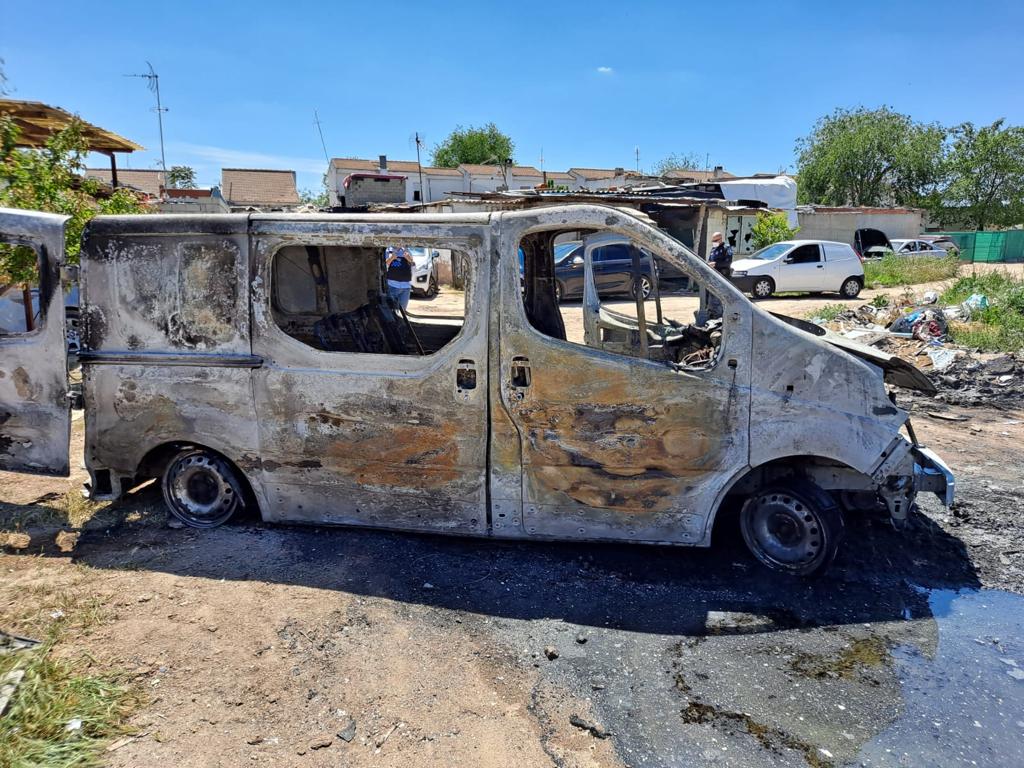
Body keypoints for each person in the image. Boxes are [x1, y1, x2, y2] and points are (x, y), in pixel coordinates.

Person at [706, 232, 733, 320]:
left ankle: (720, 318)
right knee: (711, 300)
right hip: (712, 278)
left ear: (721, 239)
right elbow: (710, 260)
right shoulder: (713, 249)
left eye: (715, 240)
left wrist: (716, 264)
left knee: (720, 299)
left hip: (723, 277)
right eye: (713, 240)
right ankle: (712, 315)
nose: (714, 242)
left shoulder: (727, 248)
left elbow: (728, 262)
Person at [384, 246, 413, 311]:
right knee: (391, 310)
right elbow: (385, 264)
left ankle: (401, 321)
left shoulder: (406, 250)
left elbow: (413, 263)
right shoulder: (388, 250)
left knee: (402, 310)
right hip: (392, 285)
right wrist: (392, 258)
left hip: (406, 286)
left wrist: (408, 258)